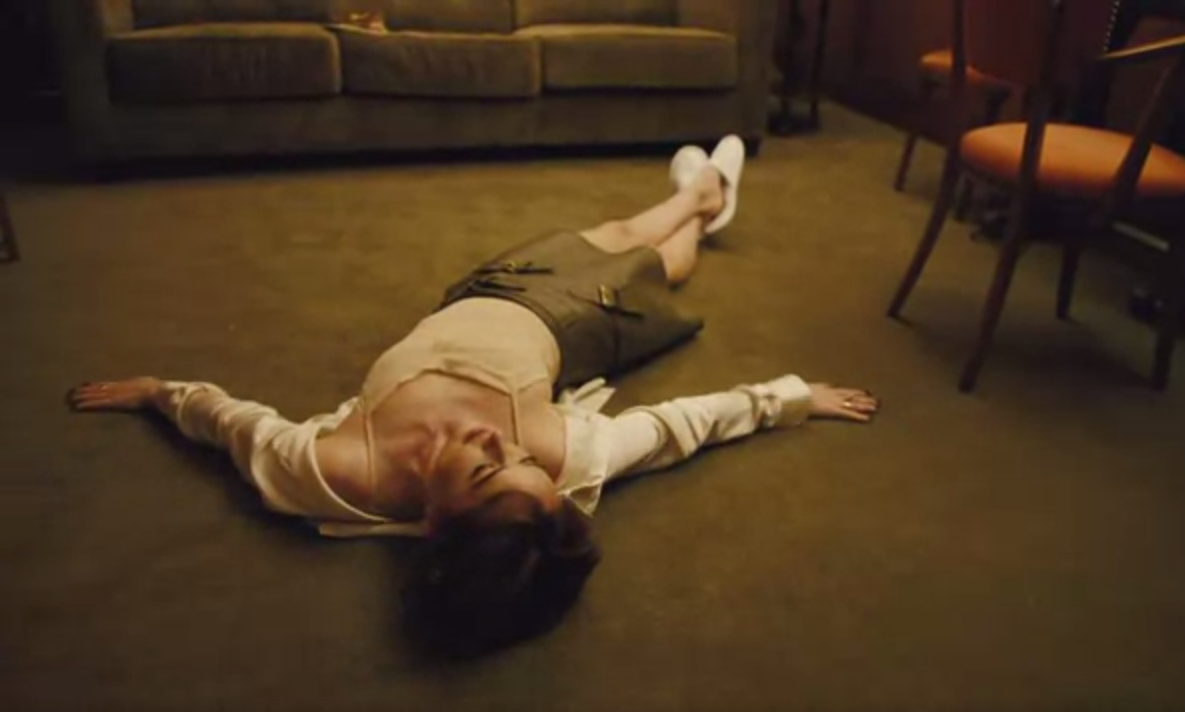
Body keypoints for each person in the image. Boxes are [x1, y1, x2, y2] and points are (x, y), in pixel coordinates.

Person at [67, 136, 879, 656]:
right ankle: (702, 201)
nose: (502, 443)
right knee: (651, 259)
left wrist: (156, 392)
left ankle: (700, 199)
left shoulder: (332, 470)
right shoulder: (563, 456)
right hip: (577, 320)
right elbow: (681, 426)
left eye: (489, 468)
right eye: (521, 460)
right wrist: (791, 397)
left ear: (431, 522)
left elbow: (228, 422)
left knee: (638, 246)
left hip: (486, 295)